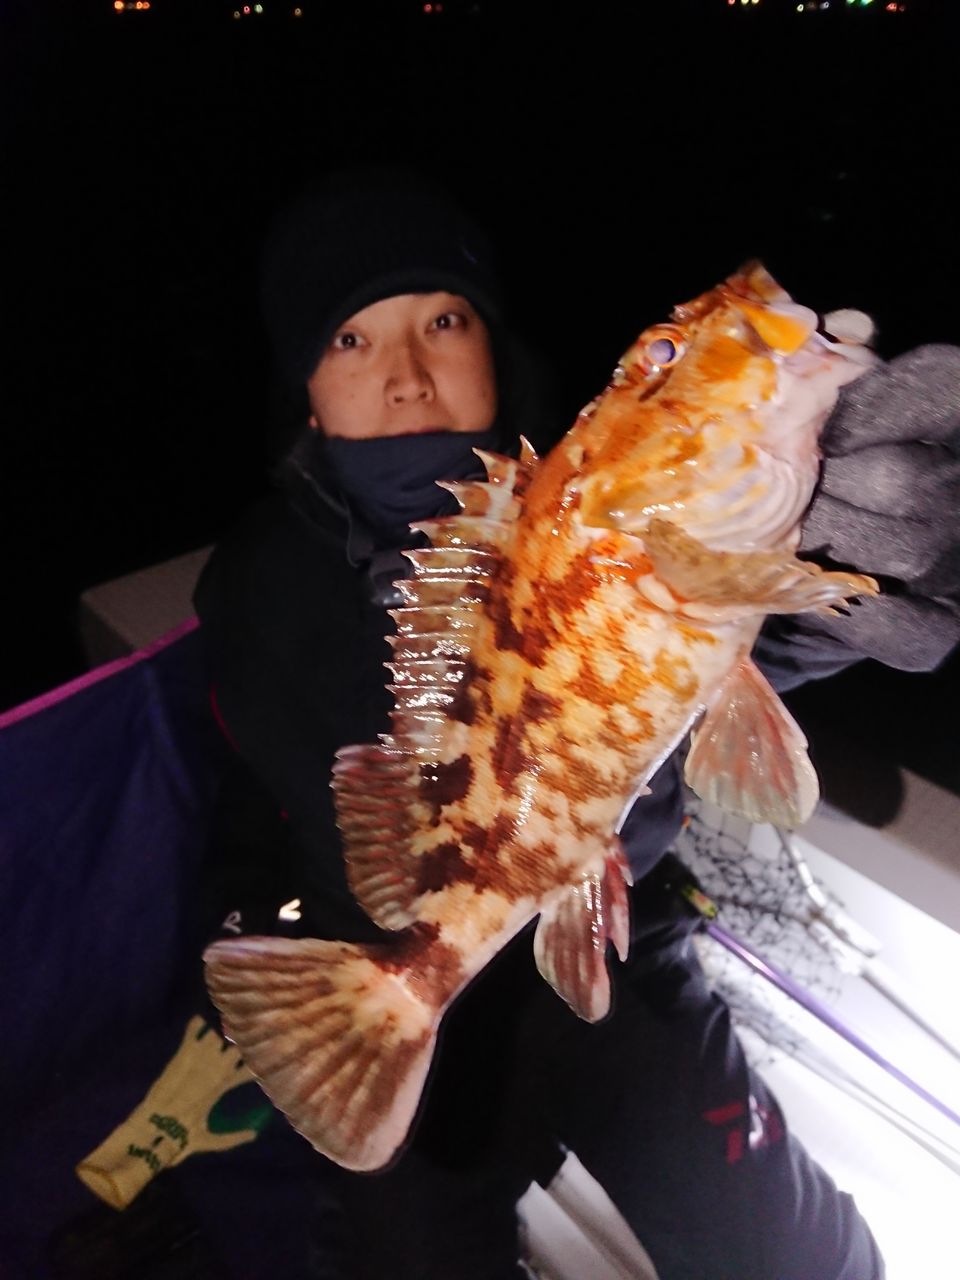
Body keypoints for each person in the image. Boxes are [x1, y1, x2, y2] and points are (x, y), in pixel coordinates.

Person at [193, 167, 960, 1279]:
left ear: (494, 346)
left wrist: (852, 578)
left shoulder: (577, 493)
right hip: (413, 957)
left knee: (804, 1261)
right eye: (351, 339)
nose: (408, 374)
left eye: (443, 320)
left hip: (620, 939)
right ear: (304, 392)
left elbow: (720, 650)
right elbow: (346, 783)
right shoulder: (257, 583)